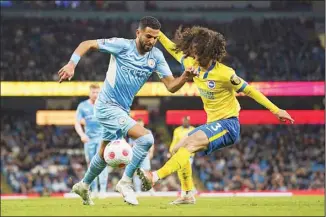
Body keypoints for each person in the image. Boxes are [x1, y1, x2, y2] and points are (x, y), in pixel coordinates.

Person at [57, 16, 197, 206]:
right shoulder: (122, 46)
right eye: (148, 36)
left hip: (122, 110)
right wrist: (72, 63)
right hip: (106, 106)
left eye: (155, 38)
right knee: (146, 138)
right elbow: (87, 43)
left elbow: (171, 86)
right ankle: (125, 182)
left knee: (103, 152)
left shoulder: (156, 56)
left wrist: (185, 76)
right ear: (138, 33)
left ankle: (84, 185)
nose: (152, 41)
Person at [137, 26, 295, 193]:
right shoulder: (192, 64)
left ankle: (155, 176)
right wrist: (159, 34)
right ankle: (188, 192)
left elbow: (250, 91)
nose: (195, 57)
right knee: (177, 149)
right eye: (194, 53)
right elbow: (173, 49)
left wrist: (276, 110)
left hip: (228, 125)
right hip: (213, 124)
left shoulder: (226, 74)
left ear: (209, 55)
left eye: (199, 55)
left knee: (187, 146)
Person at [75, 83, 109, 195]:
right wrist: (82, 135)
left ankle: (103, 189)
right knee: (90, 165)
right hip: (89, 140)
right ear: (89, 93)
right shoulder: (82, 106)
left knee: (101, 163)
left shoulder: (103, 105)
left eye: (97, 92)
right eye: (93, 92)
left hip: (101, 139)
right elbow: (77, 122)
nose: (95, 94)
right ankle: (94, 189)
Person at [168, 116, 196, 204]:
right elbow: (174, 142)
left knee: (185, 172)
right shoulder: (177, 130)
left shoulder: (194, 130)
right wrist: (171, 151)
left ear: (189, 121)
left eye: (187, 120)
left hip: (189, 154)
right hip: (179, 154)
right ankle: (188, 192)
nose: (185, 122)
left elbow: (195, 142)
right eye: (184, 120)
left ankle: (187, 193)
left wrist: (193, 152)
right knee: (182, 173)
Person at [127, 119, 155, 195]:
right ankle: (138, 190)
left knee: (147, 172)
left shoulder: (148, 132)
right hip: (135, 154)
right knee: (136, 172)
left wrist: (151, 152)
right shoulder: (133, 131)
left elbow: (152, 143)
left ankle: (150, 189)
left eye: (140, 123)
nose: (139, 124)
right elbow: (130, 145)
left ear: (143, 123)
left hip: (145, 154)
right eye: (138, 123)